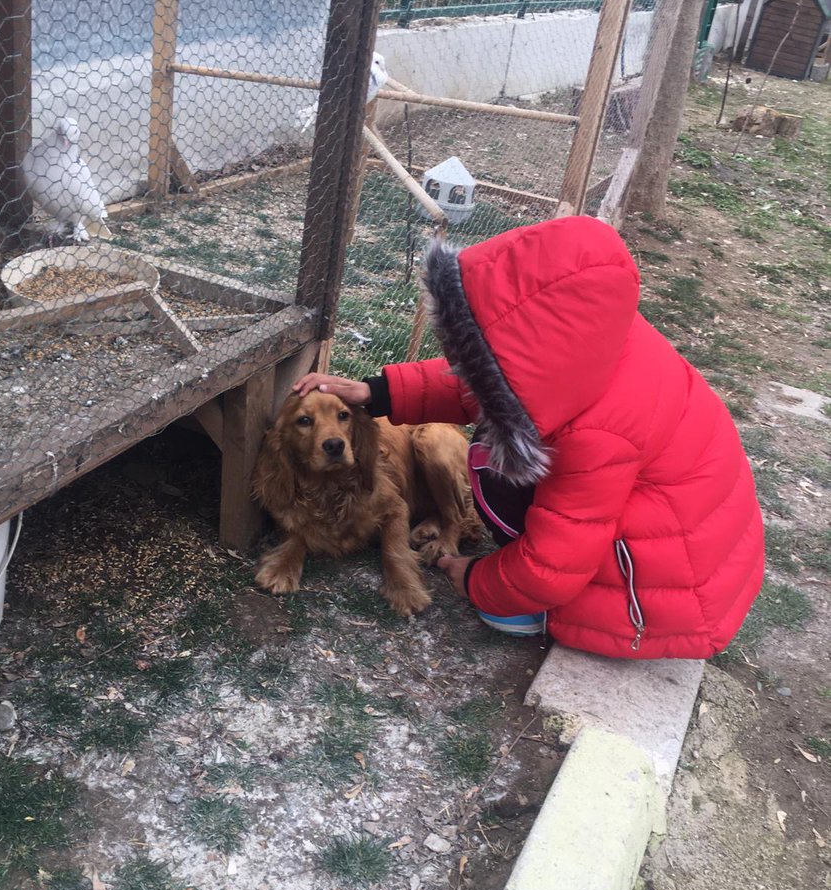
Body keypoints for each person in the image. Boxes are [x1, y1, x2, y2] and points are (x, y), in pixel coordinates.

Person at [294, 216, 764, 660]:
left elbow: (553, 566)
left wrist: (476, 578)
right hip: (697, 542)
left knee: (500, 596)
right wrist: (376, 392)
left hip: (666, 599)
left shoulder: (598, 436)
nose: (461, 357)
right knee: (500, 458)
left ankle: (538, 616)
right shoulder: (596, 340)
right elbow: (493, 378)